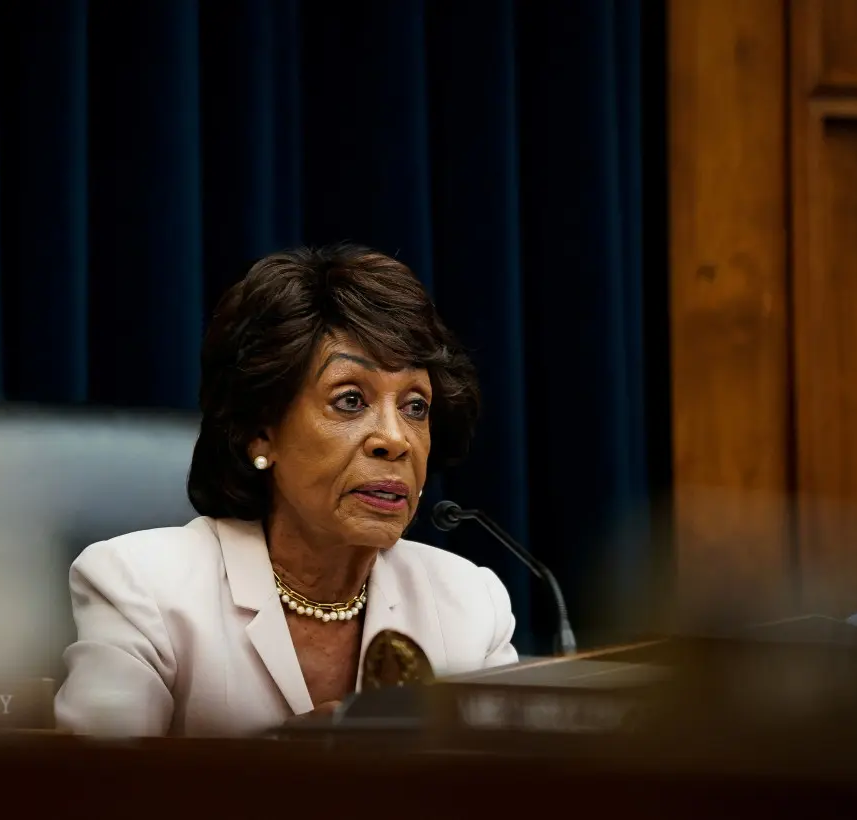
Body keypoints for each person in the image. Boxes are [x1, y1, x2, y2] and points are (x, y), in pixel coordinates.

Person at [54, 244, 518, 737]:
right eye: (350, 400)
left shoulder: (469, 603)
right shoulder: (142, 586)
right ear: (262, 432)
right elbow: (98, 789)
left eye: (416, 407)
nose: (395, 439)